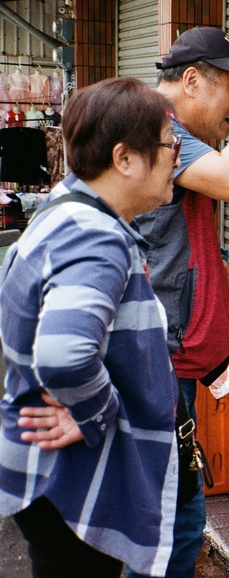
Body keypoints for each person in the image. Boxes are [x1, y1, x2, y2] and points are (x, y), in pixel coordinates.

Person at [0, 78, 181, 576]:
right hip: (70, 483)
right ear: (124, 158)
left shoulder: (66, 207)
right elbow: (64, 354)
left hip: (48, 477)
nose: (177, 159)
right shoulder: (97, 237)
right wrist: (93, 413)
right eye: (170, 145)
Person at [132, 27, 229, 578]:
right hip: (157, 364)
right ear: (192, 80)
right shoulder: (157, 130)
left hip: (171, 358)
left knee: (175, 514)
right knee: (174, 521)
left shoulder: (164, 130)